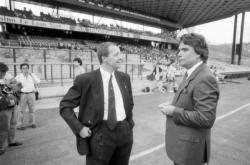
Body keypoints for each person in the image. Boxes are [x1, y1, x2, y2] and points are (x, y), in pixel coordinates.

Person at [60, 42, 134, 165]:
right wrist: (79, 128)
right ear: (104, 58)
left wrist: (129, 124)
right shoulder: (85, 80)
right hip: (101, 133)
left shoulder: (125, 77)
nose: (121, 57)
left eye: (120, 54)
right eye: (116, 54)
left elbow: (129, 103)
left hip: (125, 132)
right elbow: (65, 106)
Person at [159, 33, 220, 165]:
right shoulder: (191, 72)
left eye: (184, 50)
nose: (179, 54)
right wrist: (172, 104)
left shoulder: (205, 78)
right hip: (183, 147)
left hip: (190, 151)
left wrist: (173, 111)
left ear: (199, 53)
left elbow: (205, 118)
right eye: (179, 50)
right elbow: (189, 101)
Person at [0, 62, 23, 156]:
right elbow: (3, 92)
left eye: (4, 72)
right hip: (3, 107)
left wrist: (16, 87)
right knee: (3, 127)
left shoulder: (6, 77)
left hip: (13, 105)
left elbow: (13, 85)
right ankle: (0, 146)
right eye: (2, 72)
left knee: (13, 124)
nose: (3, 74)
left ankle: (11, 141)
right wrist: (7, 86)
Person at [15, 63, 40, 130]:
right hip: (22, 94)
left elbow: (38, 81)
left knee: (32, 110)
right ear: (21, 69)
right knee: (21, 111)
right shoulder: (18, 77)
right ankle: (19, 125)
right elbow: (14, 85)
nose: (25, 70)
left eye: (26, 68)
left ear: (28, 69)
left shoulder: (32, 75)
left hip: (31, 94)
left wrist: (32, 75)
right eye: (23, 68)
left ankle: (32, 123)